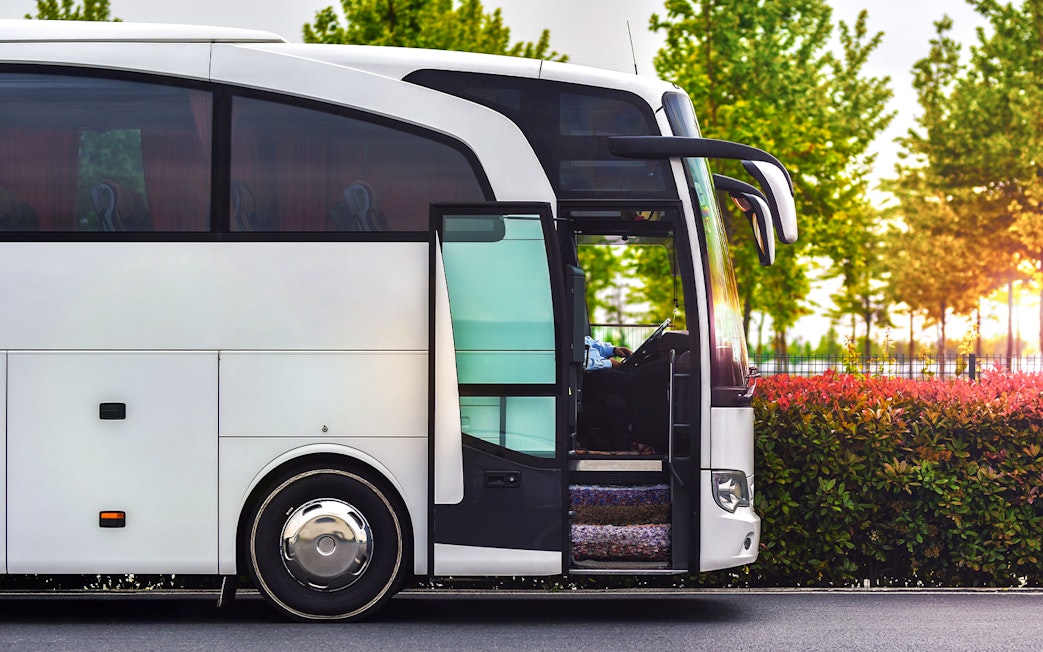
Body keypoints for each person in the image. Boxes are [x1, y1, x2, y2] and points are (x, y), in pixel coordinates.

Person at [579, 336, 635, 451]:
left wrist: (613, 350)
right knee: (628, 381)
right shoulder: (566, 337)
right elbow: (583, 363)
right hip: (587, 376)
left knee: (634, 373)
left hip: (600, 368)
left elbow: (592, 344)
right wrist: (608, 363)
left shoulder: (577, 334)